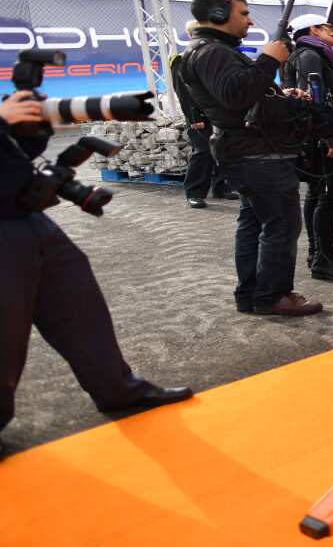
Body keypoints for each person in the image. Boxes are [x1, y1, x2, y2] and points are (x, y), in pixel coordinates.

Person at [0, 92, 193, 458]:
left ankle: (119, 391)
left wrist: (30, 127)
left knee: (80, 307)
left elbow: (16, 158)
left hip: (27, 217)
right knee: (5, 332)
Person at [179, 0, 323, 316]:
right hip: (256, 156)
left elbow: (239, 94)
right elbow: (236, 95)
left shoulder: (211, 51)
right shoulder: (213, 52)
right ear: (218, 14)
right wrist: (270, 59)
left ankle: (253, 294)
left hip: (248, 152)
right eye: (243, 13)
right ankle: (273, 296)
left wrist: (276, 93)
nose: (250, 20)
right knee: (282, 225)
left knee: (255, 223)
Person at [283, 14, 333, 281]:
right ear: (314, 30)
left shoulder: (310, 54)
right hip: (316, 137)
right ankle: (322, 260)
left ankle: (320, 251)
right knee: (331, 194)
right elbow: (313, 102)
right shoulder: (309, 56)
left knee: (318, 194)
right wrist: (331, 140)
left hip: (315, 135)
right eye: (330, 28)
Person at [174, 20, 237, 208]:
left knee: (223, 149)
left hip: (218, 113)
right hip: (200, 115)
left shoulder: (215, 55)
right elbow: (183, 92)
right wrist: (194, 118)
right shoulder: (182, 58)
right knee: (203, 153)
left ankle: (222, 187)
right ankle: (194, 192)